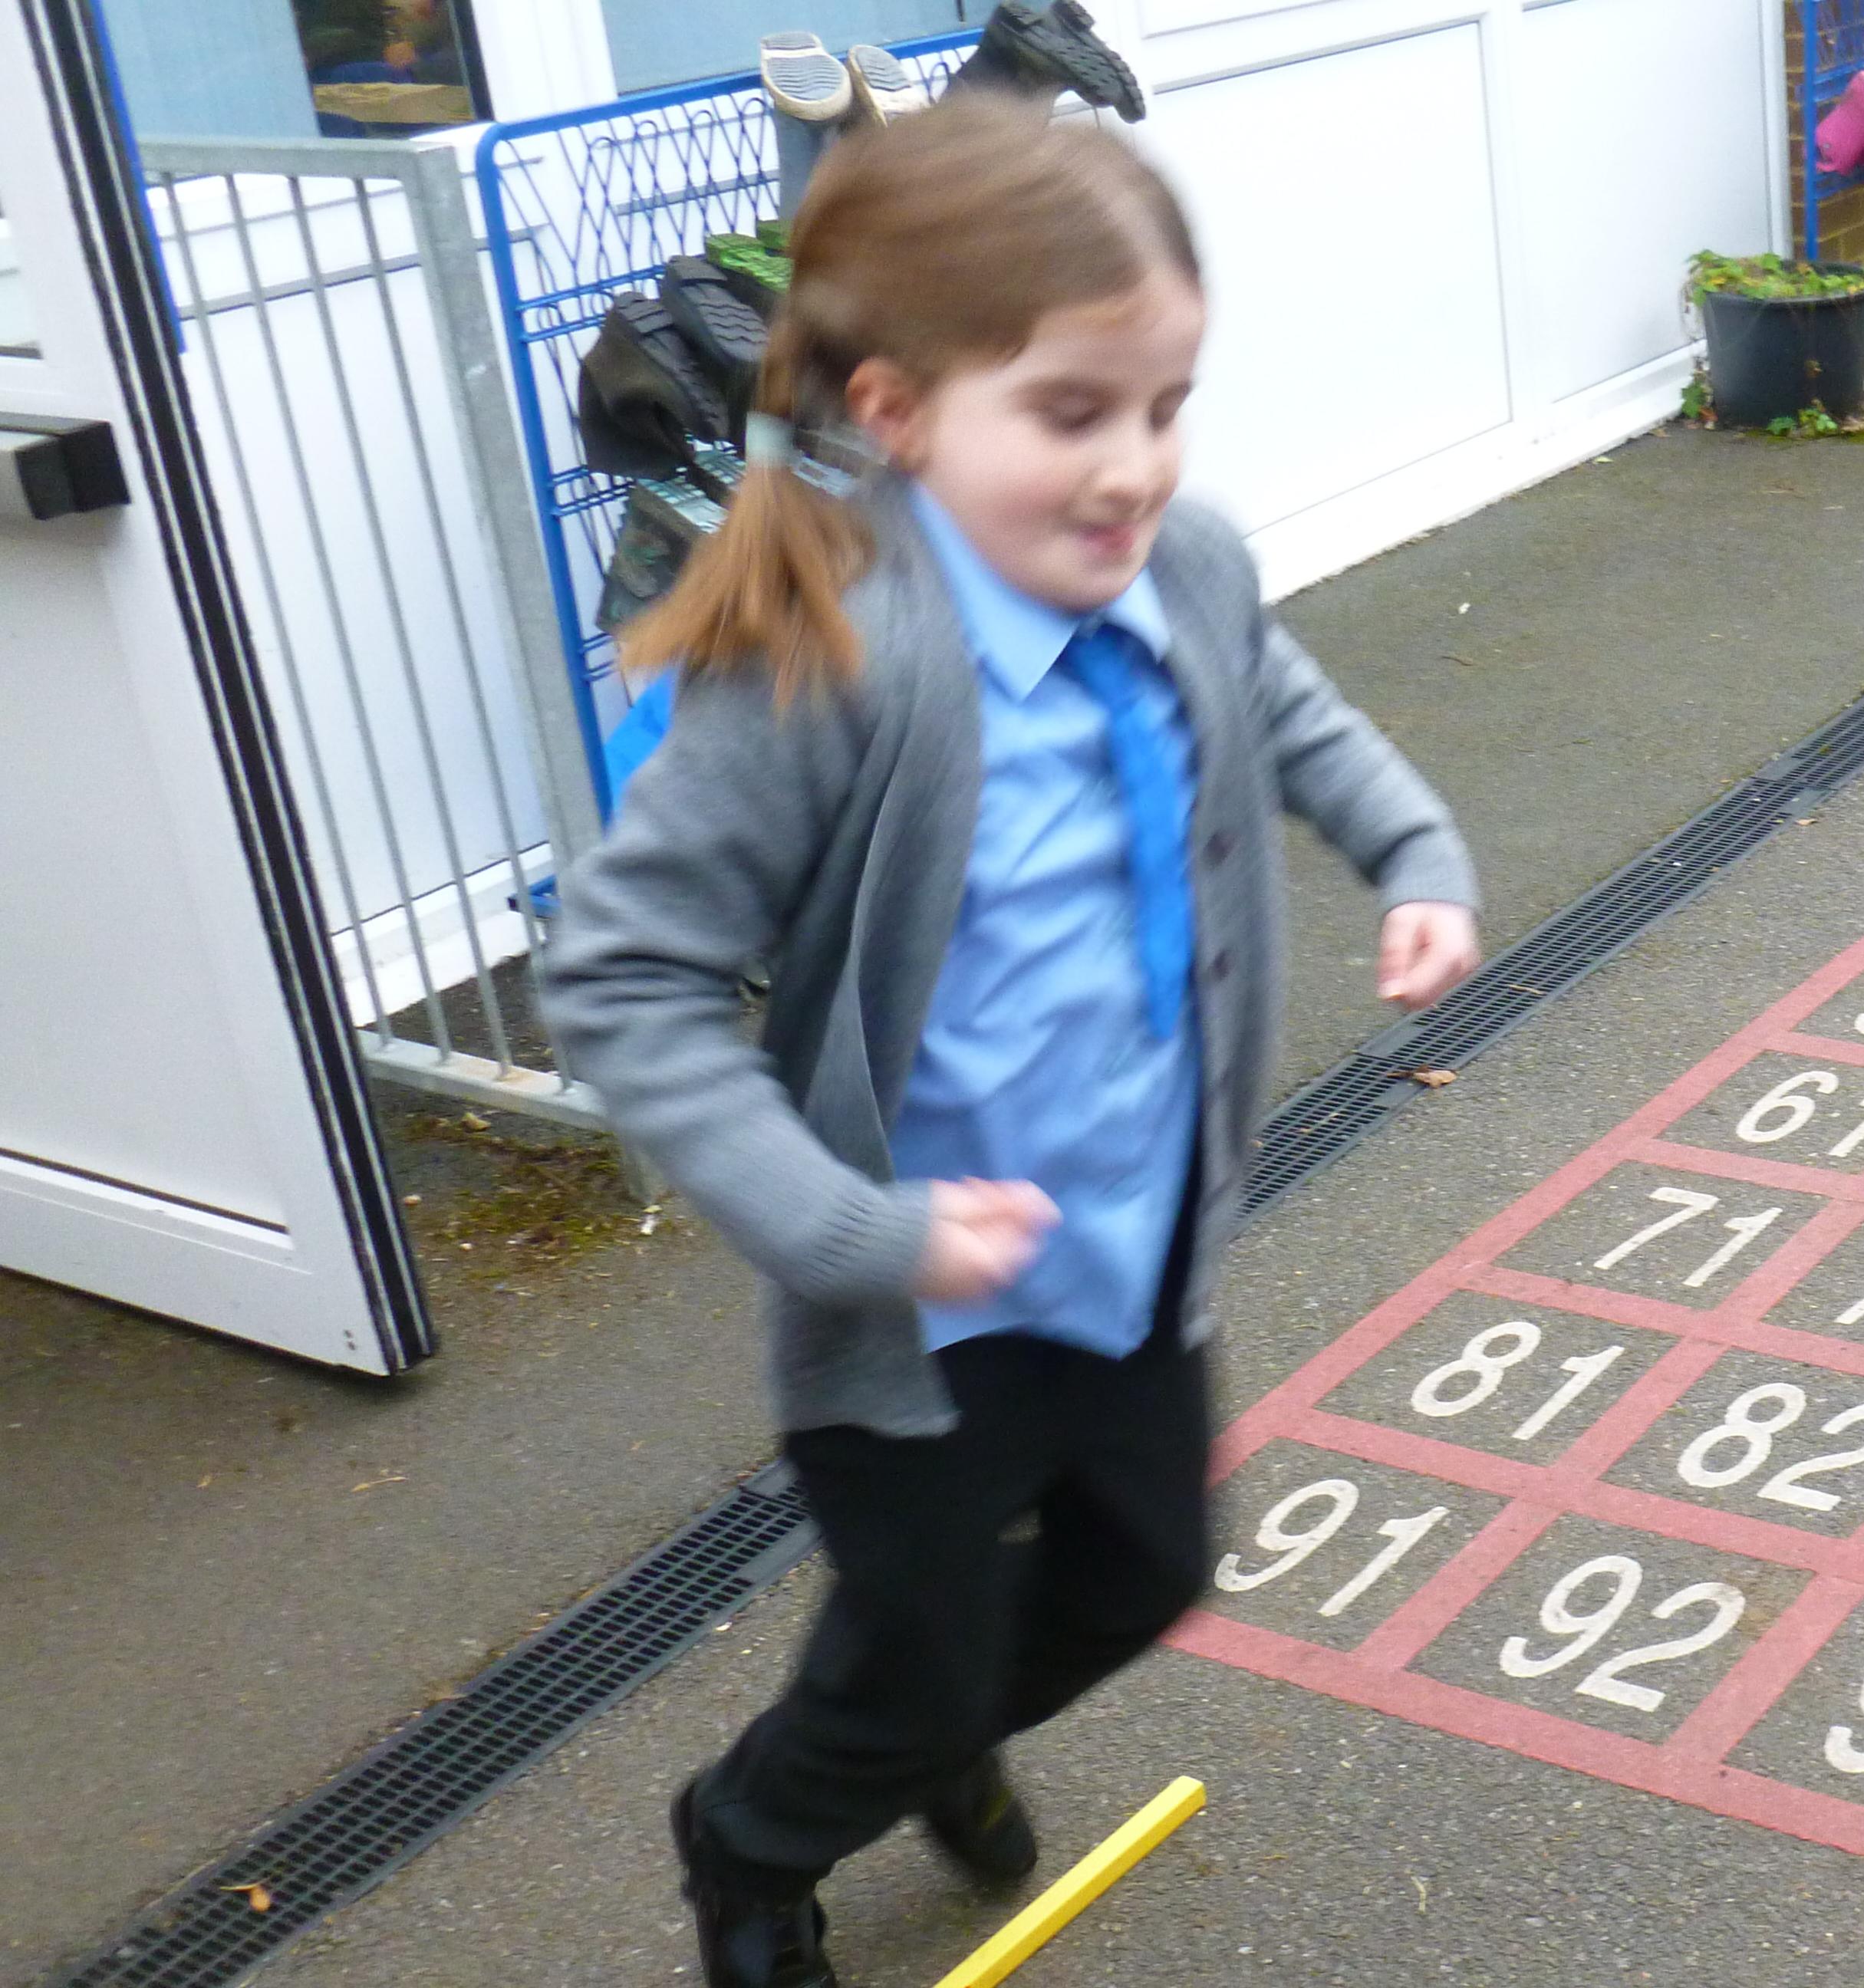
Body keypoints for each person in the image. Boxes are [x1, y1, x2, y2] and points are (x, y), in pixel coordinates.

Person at [542, 96, 1480, 1988]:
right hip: (916, 1317)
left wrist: (1415, 852)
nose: (1134, 467)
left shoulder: (1186, 567)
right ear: (900, 413)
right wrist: (855, 1232)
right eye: (1071, 413)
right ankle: (756, 1835)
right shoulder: (825, 660)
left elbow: (1291, 713)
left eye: (1166, 405)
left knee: (1144, 1575)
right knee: (918, 1638)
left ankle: (921, 1734)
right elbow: (622, 979)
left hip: (1127, 1255)